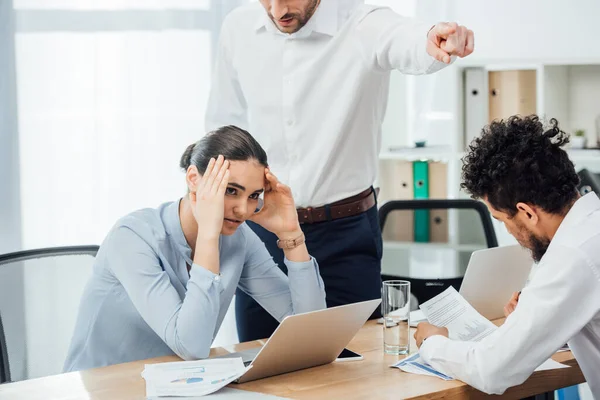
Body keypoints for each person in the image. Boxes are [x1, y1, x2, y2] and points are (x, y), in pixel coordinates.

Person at [206, 0, 475, 342]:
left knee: (356, 364)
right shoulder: (238, 27)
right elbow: (223, 123)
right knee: (259, 364)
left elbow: (407, 40)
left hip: (344, 234)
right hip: (260, 233)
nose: (276, 11)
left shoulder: (364, 23)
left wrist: (434, 40)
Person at [63, 125, 326, 372]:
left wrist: (291, 234)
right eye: (231, 190)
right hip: (104, 389)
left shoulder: (239, 240)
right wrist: (208, 236)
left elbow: (311, 332)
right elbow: (192, 346)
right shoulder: (131, 238)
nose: (243, 209)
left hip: (177, 385)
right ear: (193, 179)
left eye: (253, 196)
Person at [414, 115, 600, 397]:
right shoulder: (589, 228)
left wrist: (433, 343)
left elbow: (492, 370)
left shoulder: (572, 256)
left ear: (527, 212)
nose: (510, 232)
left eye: (502, 220)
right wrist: (538, 318)